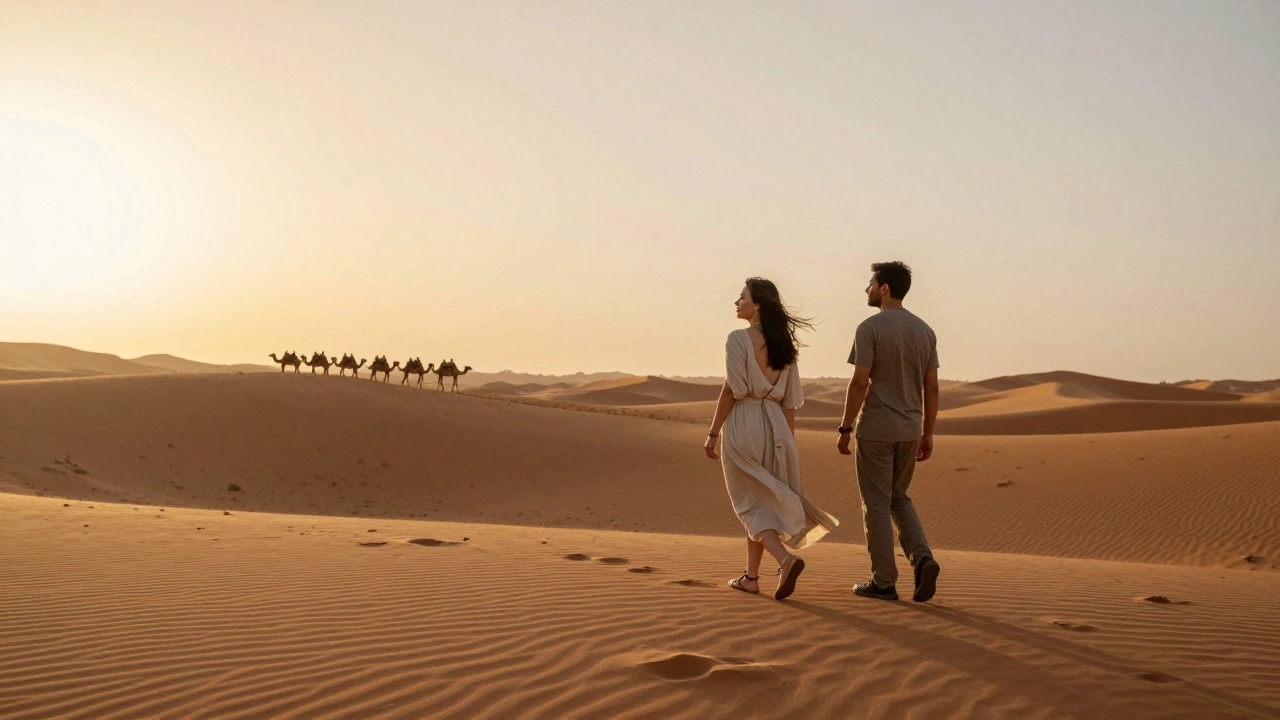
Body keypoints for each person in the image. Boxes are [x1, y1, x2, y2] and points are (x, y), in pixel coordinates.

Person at [705, 277, 839, 600]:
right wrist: (787, 444)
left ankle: (785, 558)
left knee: (750, 503)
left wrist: (713, 432)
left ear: (758, 306)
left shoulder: (737, 340)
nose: (737, 303)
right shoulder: (785, 348)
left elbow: (731, 389)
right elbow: (789, 403)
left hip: (745, 421)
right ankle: (751, 577)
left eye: (742, 297)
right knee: (760, 500)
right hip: (777, 427)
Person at [837, 261, 941, 602]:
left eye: (870, 283)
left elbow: (859, 382)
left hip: (877, 429)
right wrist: (928, 433)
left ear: (884, 288)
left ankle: (884, 581)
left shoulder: (869, 327)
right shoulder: (925, 330)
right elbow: (932, 387)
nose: (866, 289)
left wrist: (845, 427)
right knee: (899, 497)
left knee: (876, 504)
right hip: (910, 430)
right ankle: (922, 558)